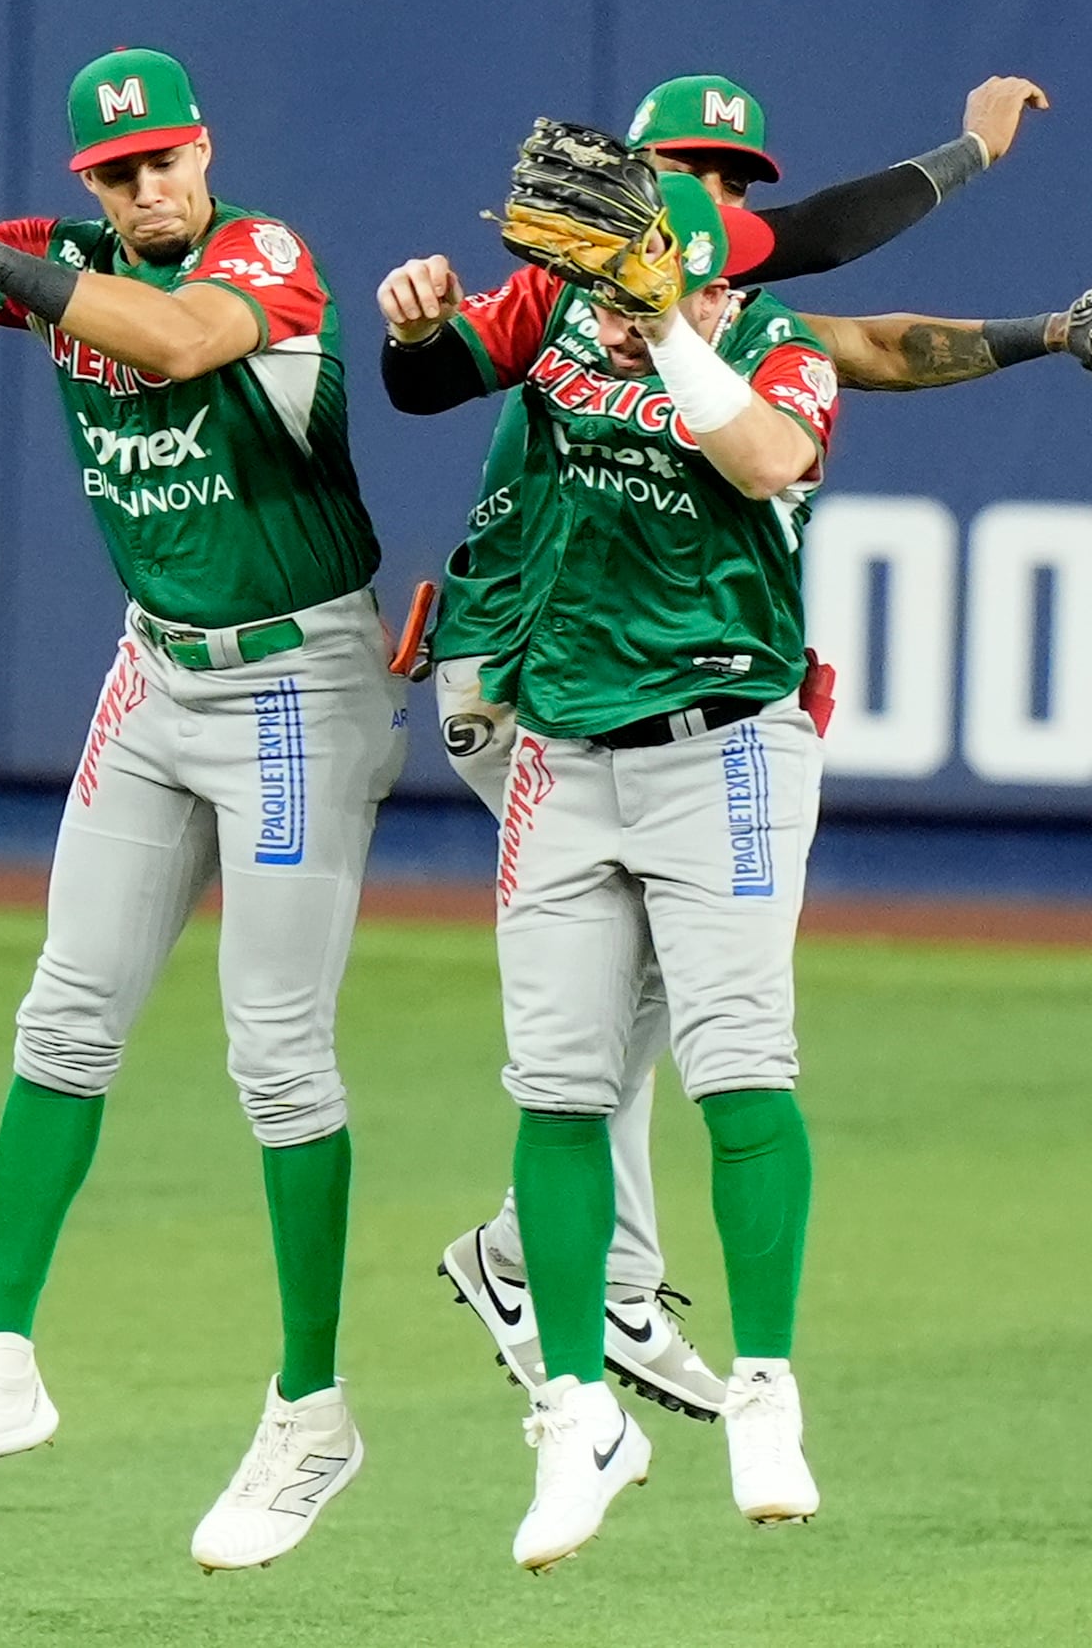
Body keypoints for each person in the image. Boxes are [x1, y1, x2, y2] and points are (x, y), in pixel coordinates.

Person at [0, 0, 401, 1571]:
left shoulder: (259, 258)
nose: (148, 191)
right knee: (63, 1017)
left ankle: (310, 1414)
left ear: (206, 147)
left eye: (165, 160)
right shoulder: (71, 258)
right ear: (92, 180)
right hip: (155, 673)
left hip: (295, 681)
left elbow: (181, 338)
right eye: (118, 173)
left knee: (276, 1058)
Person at [430, 73, 1078, 1427]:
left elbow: (871, 335)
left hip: (616, 681)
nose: (711, 197)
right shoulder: (573, 291)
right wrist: (973, 150)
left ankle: (555, 1259)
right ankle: (559, 1271)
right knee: (618, 999)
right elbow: (433, 376)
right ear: (627, 171)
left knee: (654, 990)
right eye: (687, 167)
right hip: (531, 673)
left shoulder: (717, 307)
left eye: (733, 179)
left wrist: (1052, 327)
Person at [379, 176, 839, 1569]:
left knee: (741, 1065)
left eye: (678, 283)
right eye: (636, 284)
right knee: (560, 1085)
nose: (647, 306)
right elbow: (438, 375)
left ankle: (766, 1388)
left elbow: (763, 458)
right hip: (566, 754)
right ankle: (574, 1413)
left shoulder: (775, 350)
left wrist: (673, 332)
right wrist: (419, 325)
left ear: (720, 282)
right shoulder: (565, 334)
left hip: (728, 747)